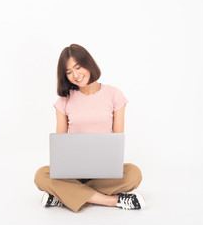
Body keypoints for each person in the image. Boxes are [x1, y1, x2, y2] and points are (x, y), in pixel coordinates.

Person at [34, 44, 145, 213]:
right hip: (73, 171)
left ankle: (64, 194)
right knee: (41, 175)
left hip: (104, 172)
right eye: (69, 72)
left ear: (88, 63)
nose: (75, 75)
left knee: (134, 174)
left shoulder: (114, 94)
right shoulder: (64, 101)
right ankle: (112, 201)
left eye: (78, 67)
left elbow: (117, 139)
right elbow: (60, 145)